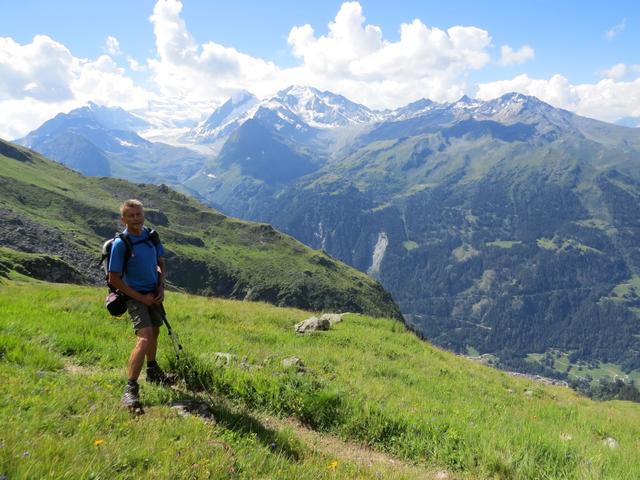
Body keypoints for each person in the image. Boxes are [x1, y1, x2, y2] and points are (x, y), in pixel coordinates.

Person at [108, 199, 173, 409]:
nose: (136, 218)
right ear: (123, 219)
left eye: (139, 214)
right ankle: (130, 389)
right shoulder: (121, 244)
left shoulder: (151, 237)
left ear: (143, 214)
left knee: (155, 332)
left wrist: (161, 287)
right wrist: (139, 297)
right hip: (134, 297)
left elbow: (160, 262)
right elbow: (114, 278)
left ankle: (153, 371)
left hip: (153, 294)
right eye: (131, 215)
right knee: (144, 338)